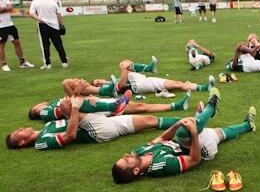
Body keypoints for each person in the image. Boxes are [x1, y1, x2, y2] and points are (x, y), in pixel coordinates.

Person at [112, 94, 256, 183]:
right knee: (184, 131)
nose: (126, 155)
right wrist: (193, 133)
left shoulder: (139, 152)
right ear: (136, 171)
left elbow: (162, 137)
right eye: (126, 160)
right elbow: (194, 160)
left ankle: (248, 125)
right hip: (200, 150)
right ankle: (210, 108)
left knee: (221, 132)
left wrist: (177, 124)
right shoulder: (160, 166)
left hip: (188, 141)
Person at [5, 95, 187, 151]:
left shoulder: (45, 127)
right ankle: (111, 105)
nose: (21, 128)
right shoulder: (41, 142)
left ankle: (189, 122)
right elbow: (70, 135)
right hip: (95, 131)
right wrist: (76, 108)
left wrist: (84, 103)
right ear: (21, 142)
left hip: (93, 121)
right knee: (66, 104)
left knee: (150, 120)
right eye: (18, 133)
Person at [28, 91, 190, 121]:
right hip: (97, 113)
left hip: (94, 105)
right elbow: (66, 111)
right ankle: (115, 106)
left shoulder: (51, 104)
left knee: (140, 105)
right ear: (35, 110)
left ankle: (176, 105)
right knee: (140, 109)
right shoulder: (44, 112)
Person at [116, 60, 215, 96]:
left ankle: (205, 87)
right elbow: (121, 85)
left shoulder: (130, 74)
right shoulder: (120, 80)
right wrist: (124, 68)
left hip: (147, 81)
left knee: (178, 83)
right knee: (178, 84)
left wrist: (127, 67)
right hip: (142, 85)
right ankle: (149, 68)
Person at [28, 0, 67, 70]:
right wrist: (60, 25)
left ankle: (48, 64)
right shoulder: (52, 2)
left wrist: (39, 19)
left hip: (43, 26)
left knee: (45, 45)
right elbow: (59, 15)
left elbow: (31, 13)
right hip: (55, 26)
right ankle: (64, 62)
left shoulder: (35, 2)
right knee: (58, 44)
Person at [0, 0, 35, 71]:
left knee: (17, 43)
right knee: (1, 45)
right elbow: (7, 8)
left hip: (9, 24)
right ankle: (3, 64)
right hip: (1, 26)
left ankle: (23, 62)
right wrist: (6, 8)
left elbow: (11, 8)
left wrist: (4, 9)